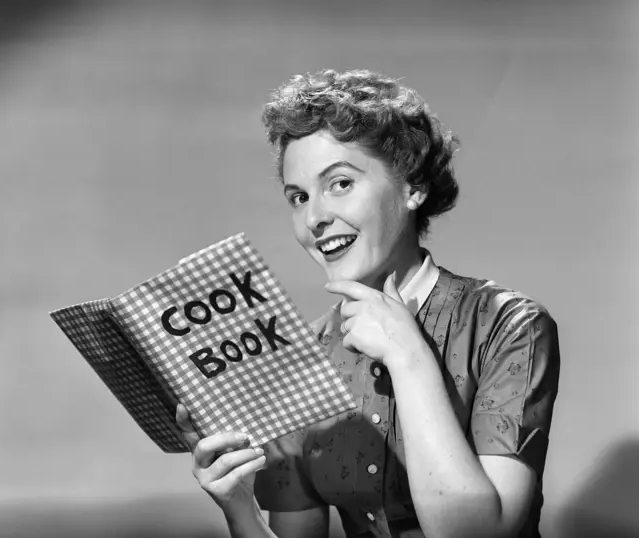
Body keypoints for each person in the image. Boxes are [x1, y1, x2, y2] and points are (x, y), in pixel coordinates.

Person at [176, 69, 561, 538]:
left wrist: (409, 356)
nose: (315, 218)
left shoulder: (508, 325)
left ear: (412, 187)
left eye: (340, 184)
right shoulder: (301, 359)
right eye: (298, 197)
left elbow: (477, 533)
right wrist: (239, 507)